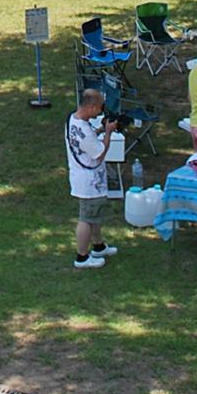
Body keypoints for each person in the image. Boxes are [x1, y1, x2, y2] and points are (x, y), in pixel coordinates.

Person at [66, 88, 120, 269]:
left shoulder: (72, 120)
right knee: (86, 219)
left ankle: (98, 246)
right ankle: (81, 256)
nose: (100, 111)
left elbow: (86, 142)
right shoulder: (85, 131)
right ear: (90, 107)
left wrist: (99, 129)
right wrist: (108, 133)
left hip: (83, 177)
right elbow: (99, 153)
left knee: (95, 214)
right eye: (98, 108)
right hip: (89, 181)